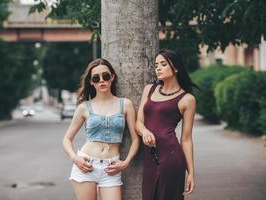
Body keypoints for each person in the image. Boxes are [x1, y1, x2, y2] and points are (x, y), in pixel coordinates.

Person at [62, 58, 139, 200]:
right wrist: (75, 158)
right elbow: (67, 139)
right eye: (96, 78)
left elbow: (135, 139)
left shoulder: (125, 104)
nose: (102, 81)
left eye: (106, 76)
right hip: (86, 166)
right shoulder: (84, 107)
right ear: (91, 82)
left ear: (112, 77)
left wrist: (125, 163)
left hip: (111, 168)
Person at [136, 48, 197, 200]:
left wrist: (191, 173)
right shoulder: (149, 90)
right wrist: (145, 132)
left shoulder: (187, 99)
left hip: (171, 156)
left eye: (163, 64)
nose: (158, 68)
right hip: (150, 157)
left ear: (175, 68)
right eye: (156, 65)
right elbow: (138, 123)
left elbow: (186, 139)